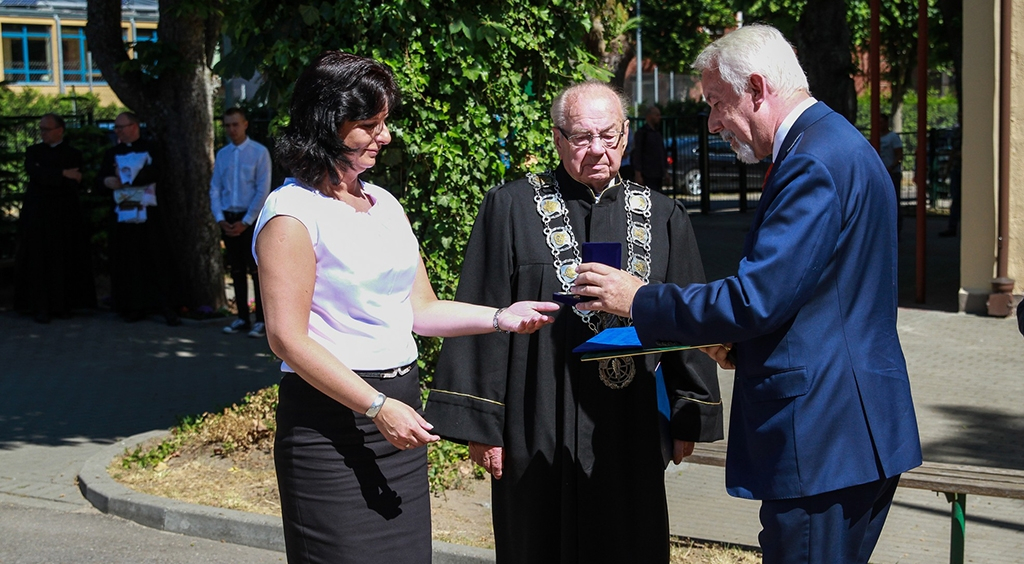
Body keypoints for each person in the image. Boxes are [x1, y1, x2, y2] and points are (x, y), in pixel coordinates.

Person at [572, 25, 922, 564]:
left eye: (716, 103)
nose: (712, 122)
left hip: (822, 439)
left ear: (757, 88)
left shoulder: (811, 162)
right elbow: (818, 298)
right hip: (853, 433)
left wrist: (638, 299)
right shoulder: (837, 143)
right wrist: (740, 346)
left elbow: (754, 299)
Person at [252, 51, 558, 564]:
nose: (385, 136)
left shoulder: (384, 204)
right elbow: (287, 338)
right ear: (327, 126)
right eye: (368, 125)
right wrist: (375, 406)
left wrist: (500, 318)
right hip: (332, 422)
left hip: (399, 407)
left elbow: (420, 308)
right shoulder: (292, 214)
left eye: (385, 122)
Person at [425, 81, 724, 564]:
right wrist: (482, 424)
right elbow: (483, 310)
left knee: (628, 541)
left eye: (608, 135)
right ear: (559, 139)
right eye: (582, 138)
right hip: (535, 415)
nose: (597, 151)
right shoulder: (510, 208)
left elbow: (686, 316)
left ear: (626, 135)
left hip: (630, 420)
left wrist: (691, 410)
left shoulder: (665, 216)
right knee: (536, 539)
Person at [14, 113, 96, 323]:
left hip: (64, 213)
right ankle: (39, 306)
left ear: (59, 130)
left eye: (47, 129)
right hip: (37, 213)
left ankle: (63, 304)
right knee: (38, 259)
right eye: (41, 129)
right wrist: (61, 174)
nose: (43, 133)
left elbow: (74, 180)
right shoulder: (34, 152)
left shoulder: (72, 153)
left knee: (63, 257)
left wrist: (51, 175)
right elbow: (35, 173)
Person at [100, 112, 180, 325]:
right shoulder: (112, 153)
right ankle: (132, 306)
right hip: (124, 216)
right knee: (128, 261)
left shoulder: (151, 148)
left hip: (149, 216)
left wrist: (130, 179)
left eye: (121, 127)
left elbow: (157, 172)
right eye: (115, 128)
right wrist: (109, 181)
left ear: (134, 126)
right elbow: (102, 178)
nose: (118, 131)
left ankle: (164, 304)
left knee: (155, 258)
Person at [210, 107, 272, 338]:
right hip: (229, 216)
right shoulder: (223, 154)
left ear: (245, 124)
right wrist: (220, 218)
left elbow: (262, 189)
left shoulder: (259, 152)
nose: (231, 130)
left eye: (235, 124)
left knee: (255, 269)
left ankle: (262, 320)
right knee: (235, 269)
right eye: (227, 125)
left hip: (250, 218)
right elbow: (215, 188)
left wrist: (247, 221)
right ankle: (242, 318)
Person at [878, 113, 903, 234]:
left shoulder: (893, 137)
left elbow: (899, 154)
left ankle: (896, 229)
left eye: (882, 122)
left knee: (894, 201)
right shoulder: (875, 137)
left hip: (891, 173)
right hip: (880, 173)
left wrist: (891, 167)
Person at [632, 105, 667, 191]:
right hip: (647, 173)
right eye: (657, 115)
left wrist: (665, 171)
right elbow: (637, 153)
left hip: (658, 173)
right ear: (649, 116)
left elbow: (662, 153)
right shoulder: (642, 133)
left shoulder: (657, 133)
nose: (659, 117)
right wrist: (638, 173)